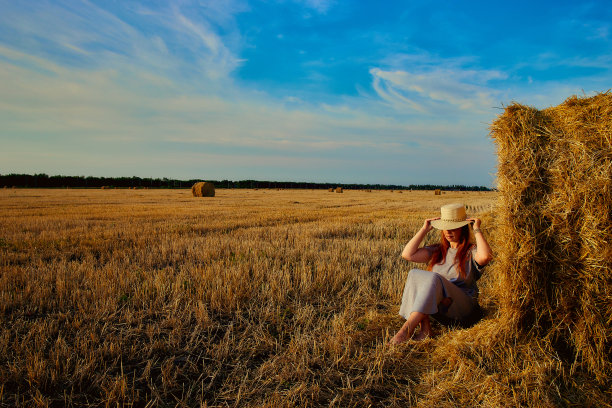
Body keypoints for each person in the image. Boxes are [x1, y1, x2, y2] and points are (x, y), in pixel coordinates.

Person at [390, 203, 493, 345]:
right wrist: (424, 229)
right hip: (440, 307)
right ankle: (425, 329)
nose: (448, 232)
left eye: (453, 228)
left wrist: (476, 229)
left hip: (462, 308)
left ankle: (405, 330)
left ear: (463, 229)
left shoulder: (471, 251)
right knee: (415, 274)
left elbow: (486, 257)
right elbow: (407, 254)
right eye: (445, 228)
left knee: (433, 278)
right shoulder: (438, 250)